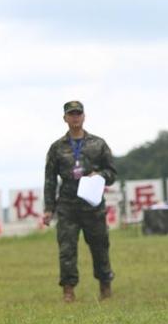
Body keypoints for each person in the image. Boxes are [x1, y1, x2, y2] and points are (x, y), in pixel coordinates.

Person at [42, 100, 118, 303]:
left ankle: (105, 286)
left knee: (100, 245)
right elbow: (50, 180)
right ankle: (68, 289)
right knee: (67, 248)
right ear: (65, 118)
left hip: (93, 205)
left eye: (78, 113)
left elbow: (112, 173)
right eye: (71, 114)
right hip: (67, 205)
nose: (75, 117)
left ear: (84, 116)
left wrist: (99, 174)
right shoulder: (57, 148)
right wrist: (49, 208)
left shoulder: (98, 144)